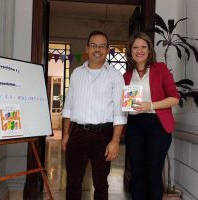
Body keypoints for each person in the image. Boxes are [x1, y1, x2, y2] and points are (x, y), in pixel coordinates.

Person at [61, 31, 127, 200]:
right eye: (93, 45)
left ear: (107, 49)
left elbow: (120, 111)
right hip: (77, 133)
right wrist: (66, 134)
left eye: (102, 46)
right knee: (73, 181)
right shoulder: (76, 73)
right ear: (87, 48)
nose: (97, 49)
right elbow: (68, 106)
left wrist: (115, 140)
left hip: (102, 135)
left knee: (100, 183)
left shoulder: (115, 76)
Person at [123, 32, 180, 200]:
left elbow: (175, 98)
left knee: (153, 172)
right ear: (130, 51)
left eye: (143, 47)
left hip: (157, 125)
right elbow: (126, 104)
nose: (139, 50)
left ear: (149, 50)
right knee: (137, 172)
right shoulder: (126, 75)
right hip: (134, 125)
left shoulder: (160, 69)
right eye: (135, 47)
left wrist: (151, 105)